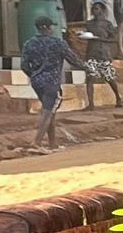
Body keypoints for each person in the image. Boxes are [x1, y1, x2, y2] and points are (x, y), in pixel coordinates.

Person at [21, 17, 89, 152]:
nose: (53, 28)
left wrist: (34, 75)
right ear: (46, 27)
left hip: (37, 82)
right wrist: (88, 68)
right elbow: (74, 60)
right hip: (52, 82)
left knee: (49, 110)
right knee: (47, 112)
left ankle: (52, 143)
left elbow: (24, 66)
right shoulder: (59, 43)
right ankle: (36, 142)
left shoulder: (29, 44)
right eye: (51, 26)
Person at [77, 2, 123, 110]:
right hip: (91, 53)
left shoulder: (107, 24)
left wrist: (100, 39)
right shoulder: (89, 24)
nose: (95, 11)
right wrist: (81, 35)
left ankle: (118, 98)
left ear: (102, 10)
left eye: (97, 9)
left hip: (103, 54)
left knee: (109, 78)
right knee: (90, 78)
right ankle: (91, 104)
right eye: (93, 9)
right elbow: (85, 34)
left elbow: (114, 39)